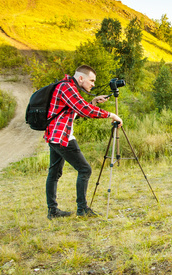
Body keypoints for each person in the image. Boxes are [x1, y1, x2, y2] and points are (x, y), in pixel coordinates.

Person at [44, 65, 122, 219]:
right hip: (62, 137)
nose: (93, 84)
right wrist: (112, 115)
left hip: (55, 135)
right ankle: (82, 209)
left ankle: (53, 211)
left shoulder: (68, 87)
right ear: (81, 78)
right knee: (85, 169)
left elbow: (76, 113)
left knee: (54, 172)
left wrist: (93, 101)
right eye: (91, 80)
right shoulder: (67, 87)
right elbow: (84, 110)